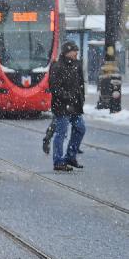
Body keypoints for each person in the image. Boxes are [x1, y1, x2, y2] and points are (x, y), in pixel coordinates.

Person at [48, 40, 86, 172]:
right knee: (61, 133)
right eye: (74, 51)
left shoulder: (77, 64)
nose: (76, 53)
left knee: (80, 128)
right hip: (62, 106)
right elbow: (54, 87)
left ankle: (70, 157)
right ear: (67, 52)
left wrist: (81, 98)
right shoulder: (57, 66)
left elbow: (81, 83)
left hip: (75, 106)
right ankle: (58, 162)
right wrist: (68, 96)